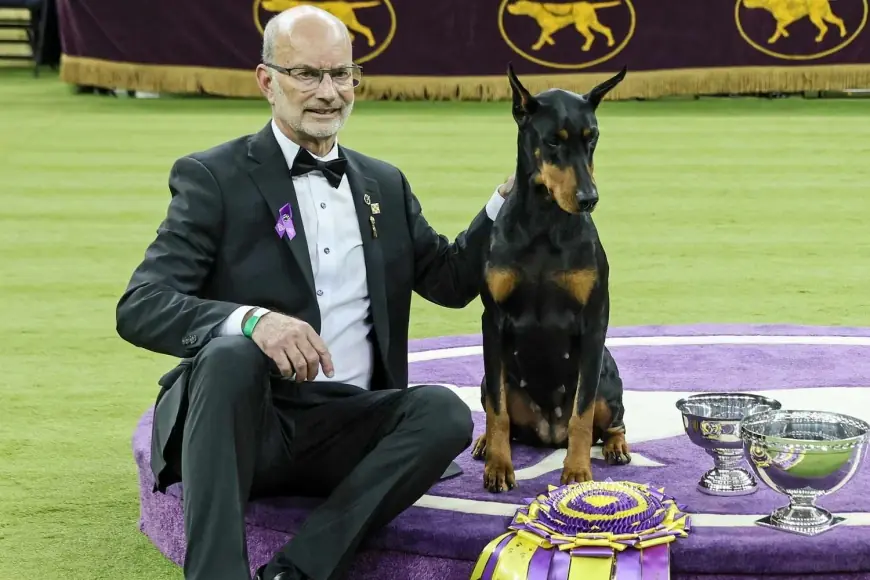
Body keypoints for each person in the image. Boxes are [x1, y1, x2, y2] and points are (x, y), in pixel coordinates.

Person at [115, 5, 512, 580]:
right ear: (267, 81)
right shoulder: (214, 177)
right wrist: (253, 322)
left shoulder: (384, 183)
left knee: (445, 413)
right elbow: (141, 305)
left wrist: (503, 203)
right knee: (228, 354)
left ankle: (296, 573)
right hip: (248, 425)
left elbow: (450, 283)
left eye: (341, 75)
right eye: (307, 74)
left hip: (349, 428)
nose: (328, 92)